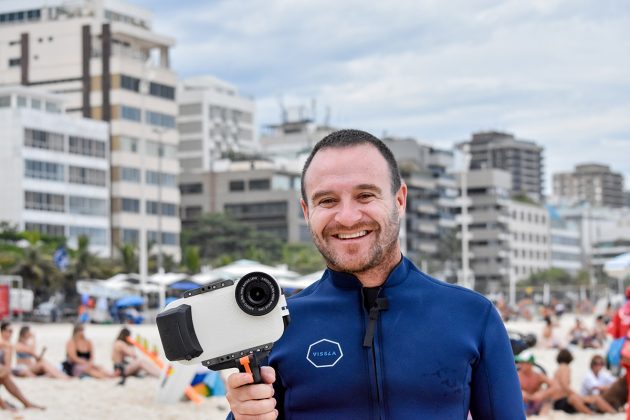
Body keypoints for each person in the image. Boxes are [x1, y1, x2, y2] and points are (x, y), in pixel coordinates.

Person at [224, 129, 524, 419]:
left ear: (400, 200)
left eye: (365, 195)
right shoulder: (275, 327)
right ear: (306, 211)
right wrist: (244, 416)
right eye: (327, 200)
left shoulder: (472, 316)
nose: (348, 217)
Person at [549, 348, 615, 414]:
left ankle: (596, 413)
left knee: (590, 398)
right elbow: (565, 385)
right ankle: (596, 414)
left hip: (556, 402)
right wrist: (575, 394)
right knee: (592, 398)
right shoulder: (565, 367)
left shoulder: (558, 369)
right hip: (561, 401)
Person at [0, 322, 45, 411]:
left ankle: (26, 403)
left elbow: (7, 368)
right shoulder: (5, 344)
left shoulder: (7, 346)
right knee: (4, 375)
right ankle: (4, 405)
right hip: (19, 368)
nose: (10, 334)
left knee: (5, 377)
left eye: (11, 331)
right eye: (8, 331)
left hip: (6, 372)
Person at [516, 351, 554, 416]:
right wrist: (519, 393)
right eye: (519, 362)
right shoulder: (517, 376)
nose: (520, 364)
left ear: (530, 364)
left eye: (522, 362)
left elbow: (555, 386)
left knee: (547, 400)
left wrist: (543, 393)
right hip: (523, 404)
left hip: (537, 403)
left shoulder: (538, 375)